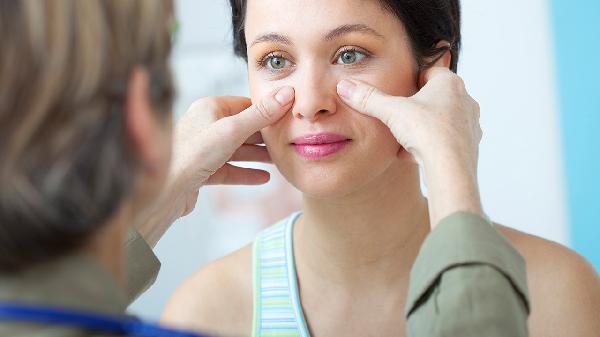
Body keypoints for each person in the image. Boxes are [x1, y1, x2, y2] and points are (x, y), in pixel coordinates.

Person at [162, 1, 600, 337]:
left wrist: (447, 158)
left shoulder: (555, 293)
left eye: (350, 54)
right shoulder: (203, 313)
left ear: (432, 78)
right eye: (276, 60)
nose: (312, 101)